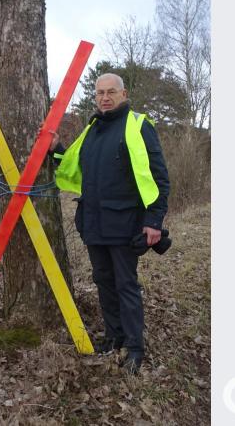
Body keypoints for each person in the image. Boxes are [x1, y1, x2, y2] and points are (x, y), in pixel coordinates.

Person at [49, 73, 170, 375]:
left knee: (125, 285)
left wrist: (153, 222)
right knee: (103, 281)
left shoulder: (138, 126)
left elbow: (159, 178)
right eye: (100, 92)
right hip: (93, 224)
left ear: (124, 93)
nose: (105, 97)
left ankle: (135, 347)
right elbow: (76, 165)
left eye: (111, 92)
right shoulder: (92, 129)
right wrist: (56, 148)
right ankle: (113, 337)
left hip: (125, 223)